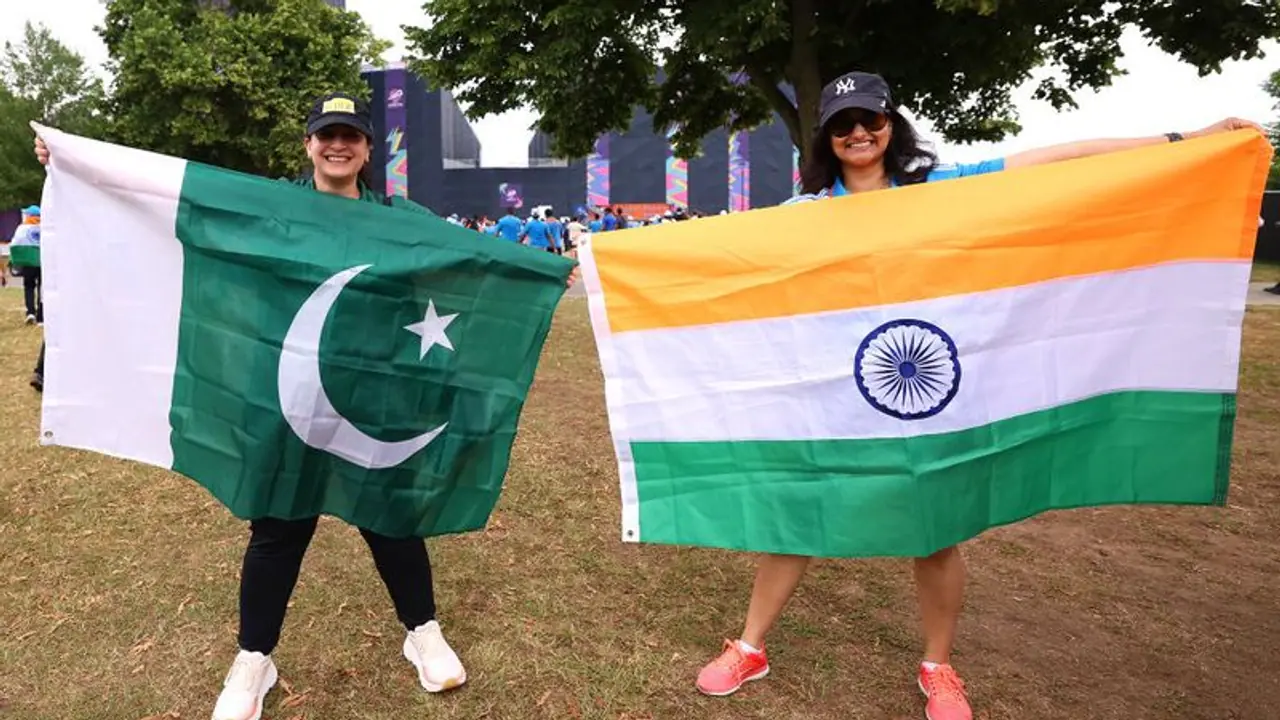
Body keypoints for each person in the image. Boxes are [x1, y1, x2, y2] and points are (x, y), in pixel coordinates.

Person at [692, 70, 1263, 720]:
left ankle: (938, 665)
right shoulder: (808, 214)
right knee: (796, 522)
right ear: (826, 138)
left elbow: (1056, 162)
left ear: (890, 124)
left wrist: (1183, 139)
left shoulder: (945, 190)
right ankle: (750, 645)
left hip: (931, 391)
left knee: (935, 531)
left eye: (869, 120)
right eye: (842, 124)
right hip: (839, 394)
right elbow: (717, 258)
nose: (857, 133)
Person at [37, 91, 483, 720]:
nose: (338, 145)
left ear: (367, 150)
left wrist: (546, 271)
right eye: (326, 134)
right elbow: (182, 207)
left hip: (376, 394)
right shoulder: (277, 208)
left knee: (391, 518)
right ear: (308, 144)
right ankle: (255, 658)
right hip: (290, 395)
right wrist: (77, 165)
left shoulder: (398, 215)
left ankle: (422, 630)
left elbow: (466, 260)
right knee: (278, 527)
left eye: (350, 136)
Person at [10, 205, 42, 324]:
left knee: (29, 287)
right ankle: (41, 315)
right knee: (42, 288)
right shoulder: (45, 227)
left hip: (28, 262)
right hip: (42, 262)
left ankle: (30, 312)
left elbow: (15, 243)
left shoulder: (22, 228)